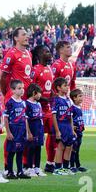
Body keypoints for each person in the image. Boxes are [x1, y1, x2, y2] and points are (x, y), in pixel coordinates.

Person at [0, 27, 32, 175]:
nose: (27, 36)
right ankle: (8, 167)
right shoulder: (11, 53)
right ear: (16, 38)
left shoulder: (28, 53)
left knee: (22, 133)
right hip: (12, 97)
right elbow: (3, 76)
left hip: (24, 98)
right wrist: (6, 92)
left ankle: (22, 168)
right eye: (24, 34)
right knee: (11, 133)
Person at [30, 45, 56, 173]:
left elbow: (49, 88)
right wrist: (46, 100)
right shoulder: (35, 70)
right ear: (39, 54)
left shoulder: (50, 69)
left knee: (54, 134)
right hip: (37, 109)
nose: (50, 54)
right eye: (46, 51)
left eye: (50, 51)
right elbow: (31, 91)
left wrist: (53, 97)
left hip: (48, 109)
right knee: (35, 139)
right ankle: (31, 166)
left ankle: (50, 163)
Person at [4, 80, 31, 180]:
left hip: (22, 129)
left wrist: (27, 131)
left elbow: (25, 118)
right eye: (19, 88)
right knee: (12, 151)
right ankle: (10, 172)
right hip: (13, 128)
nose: (22, 90)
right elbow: (6, 118)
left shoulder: (23, 103)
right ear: (13, 90)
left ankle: (20, 171)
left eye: (22, 88)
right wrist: (8, 132)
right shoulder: (10, 102)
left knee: (20, 151)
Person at [52, 77, 77, 176]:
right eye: (65, 86)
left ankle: (66, 168)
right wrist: (57, 131)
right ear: (58, 88)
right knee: (60, 147)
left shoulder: (69, 100)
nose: (67, 87)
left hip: (68, 126)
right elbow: (54, 116)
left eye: (67, 85)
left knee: (69, 146)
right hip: (60, 124)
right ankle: (58, 168)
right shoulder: (55, 100)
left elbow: (70, 116)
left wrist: (72, 129)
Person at [24, 83, 47, 177]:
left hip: (39, 128)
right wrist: (28, 132)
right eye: (39, 93)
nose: (40, 95)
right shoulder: (27, 104)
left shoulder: (38, 104)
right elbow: (26, 119)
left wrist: (42, 131)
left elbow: (41, 118)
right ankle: (29, 168)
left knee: (38, 148)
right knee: (31, 149)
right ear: (34, 93)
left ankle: (37, 168)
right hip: (32, 128)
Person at [69, 89, 88, 173]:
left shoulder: (79, 107)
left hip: (80, 132)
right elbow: (70, 119)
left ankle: (78, 165)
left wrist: (82, 126)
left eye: (82, 96)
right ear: (74, 98)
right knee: (73, 149)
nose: (81, 98)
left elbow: (80, 119)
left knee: (77, 149)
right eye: (79, 96)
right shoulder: (72, 108)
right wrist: (72, 127)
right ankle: (72, 166)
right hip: (75, 132)